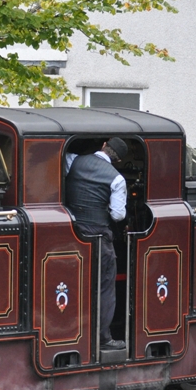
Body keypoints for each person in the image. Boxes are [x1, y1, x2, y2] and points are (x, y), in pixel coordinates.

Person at [64, 137, 128, 351]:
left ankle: (70, 331)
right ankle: (102, 337)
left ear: (103, 146)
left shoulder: (73, 161)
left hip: (72, 234)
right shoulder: (117, 179)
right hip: (100, 237)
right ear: (117, 160)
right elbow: (118, 215)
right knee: (105, 287)